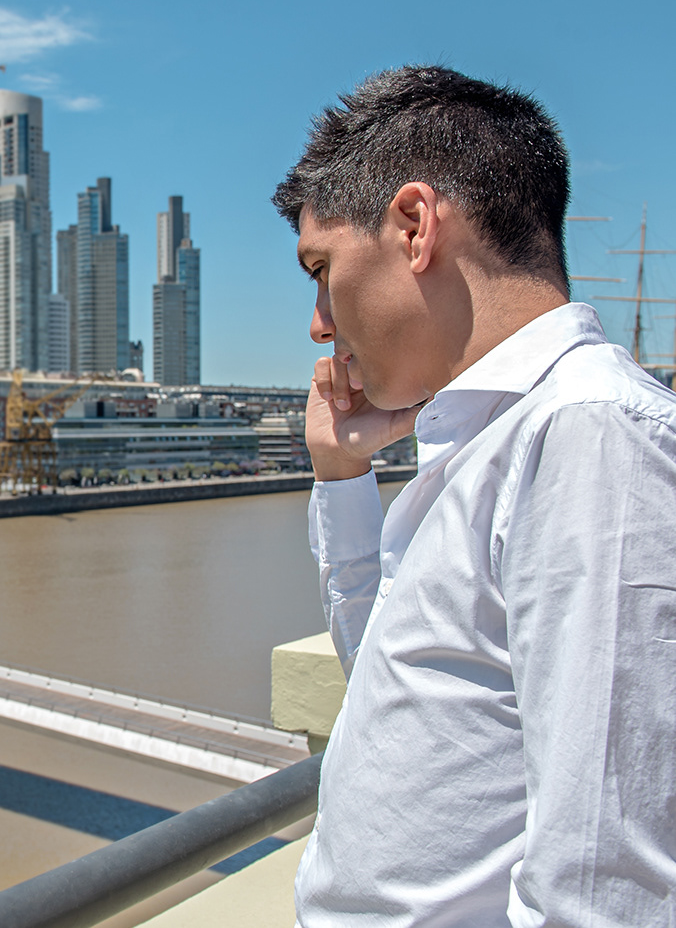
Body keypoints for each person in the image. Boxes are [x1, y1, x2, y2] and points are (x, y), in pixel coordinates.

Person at [273, 66, 676, 925]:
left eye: (322, 268)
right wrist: (342, 476)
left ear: (415, 226)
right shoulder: (491, 439)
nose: (319, 322)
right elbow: (403, 694)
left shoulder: (588, 434)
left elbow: (604, 883)